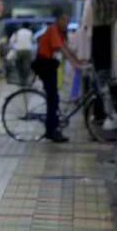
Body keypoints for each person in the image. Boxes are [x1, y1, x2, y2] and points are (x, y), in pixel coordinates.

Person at [33, 11, 86, 143]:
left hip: (49, 65)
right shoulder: (53, 30)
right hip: (45, 65)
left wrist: (78, 61)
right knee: (53, 99)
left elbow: (66, 48)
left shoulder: (59, 32)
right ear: (59, 20)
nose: (67, 24)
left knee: (54, 97)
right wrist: (75, 63)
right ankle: (52, 131)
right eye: (65, 21)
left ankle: (52, 129)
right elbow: (61, 49)